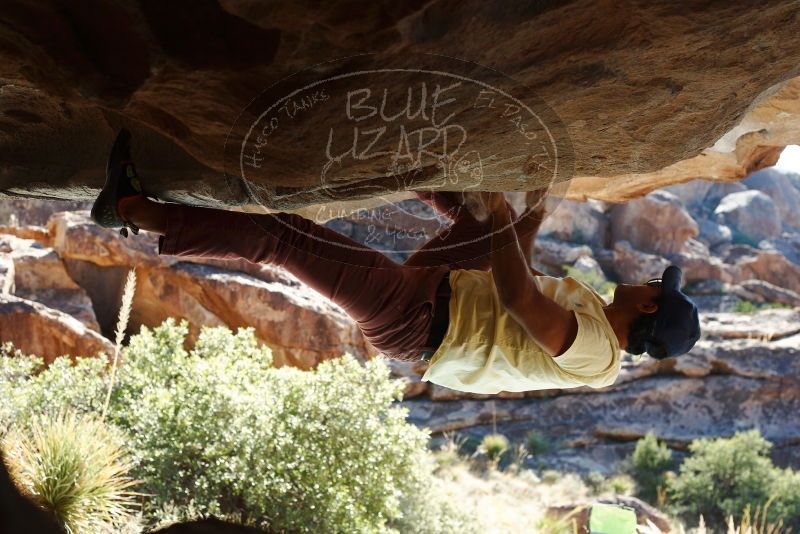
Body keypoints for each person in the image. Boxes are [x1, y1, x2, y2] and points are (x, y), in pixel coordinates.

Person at [91, 129, 701, 394]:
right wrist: (528, 216)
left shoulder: (597, 353)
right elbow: (523, 287)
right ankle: (384, 153)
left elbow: (519, 299)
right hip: (441, 295)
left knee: (283, 239)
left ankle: (130, 207)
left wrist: (500, 222)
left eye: (656, 284)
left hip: (417, 321)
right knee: (474, 215)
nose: (649, 277)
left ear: (648, 305)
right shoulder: (594, 316)